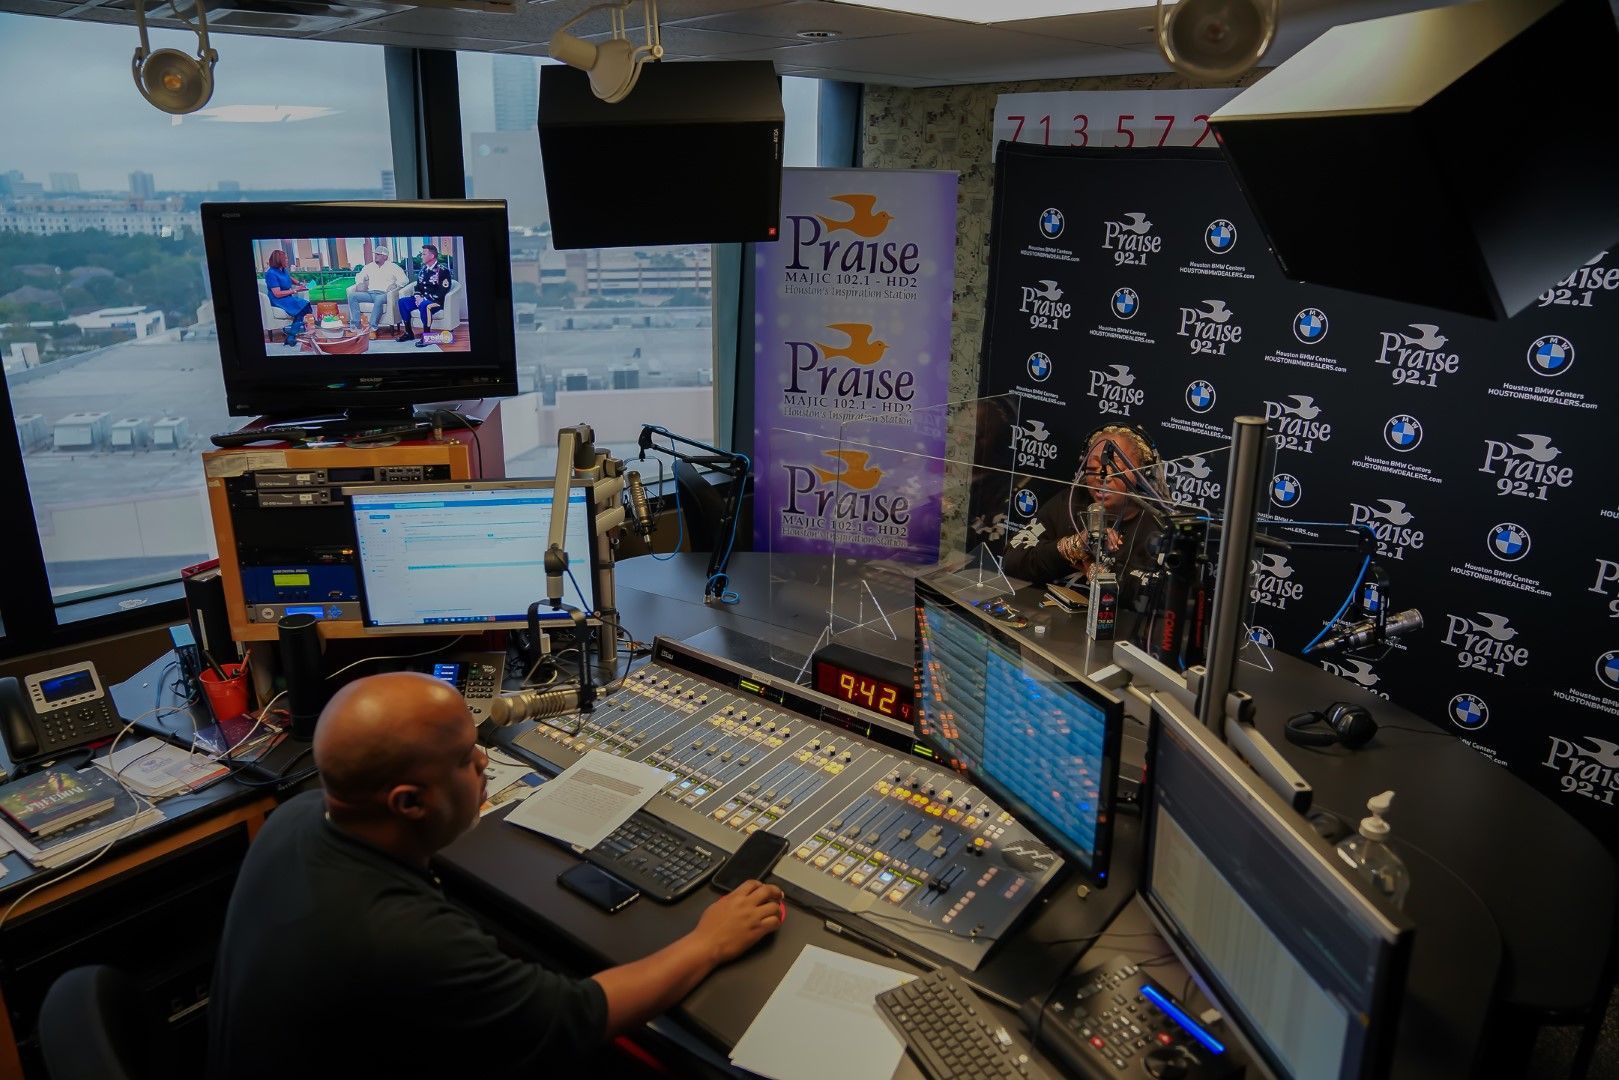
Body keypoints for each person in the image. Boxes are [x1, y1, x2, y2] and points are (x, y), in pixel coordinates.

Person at [207, 672, 784, 1078]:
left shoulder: (297, 819)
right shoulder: (412, 941)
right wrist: (708, 943)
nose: (485, 761)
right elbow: (579, 1017)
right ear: (408, 803)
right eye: (465, 759)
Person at [1002, 423, 1164, 602]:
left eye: (1116, 470)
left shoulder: (1160, 523)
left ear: (1143, 473)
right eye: (1093, 470)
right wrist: (1074, 546)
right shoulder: (1071, 500)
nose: (1102, 478)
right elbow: (1012, 560)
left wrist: (1099, 571)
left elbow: (1163, 597)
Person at [397, 243, 453, 347]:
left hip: (435, 301)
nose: (421, 256)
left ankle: (426, 337)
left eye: (423, 254)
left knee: (425, 305)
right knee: (402, 302)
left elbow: (443, 290)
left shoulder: (442, 270)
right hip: (422, 299)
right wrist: (418, 296)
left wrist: (424, 299)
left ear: (431, 256)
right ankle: (409, 333)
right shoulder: (423, 270)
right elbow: (418, 286)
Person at [347, 246, 408, 328]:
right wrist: (359, 283)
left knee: (378, 299)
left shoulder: (393, 267)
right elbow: (360, 276)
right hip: (370, 293)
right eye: (375, 254)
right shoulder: (369, 266)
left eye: (378, 254)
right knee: (352, 296)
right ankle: (356, 324)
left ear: (385, 257)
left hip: (384, 295)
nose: (375, 256)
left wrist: (396, 284)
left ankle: (372, 326)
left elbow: (405, 279)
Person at [263, 248, 310, 347]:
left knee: (302, 307)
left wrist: (299, 283)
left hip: (287, 297)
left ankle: (291, 336)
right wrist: (295, 290)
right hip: (278, 299)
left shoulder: (283, 270)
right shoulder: (270, 273)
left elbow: (289, 278)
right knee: (301, 307)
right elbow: (277, 293)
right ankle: (291, 336)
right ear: (279, 260)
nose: (287, 261)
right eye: (285, 259)